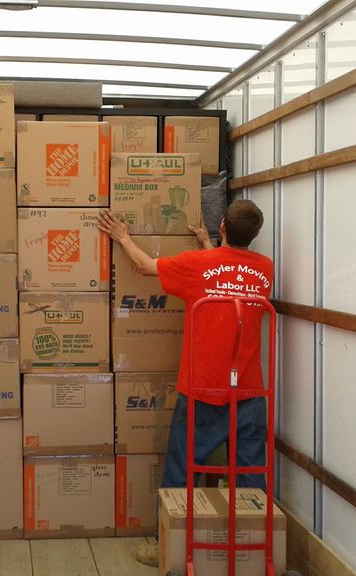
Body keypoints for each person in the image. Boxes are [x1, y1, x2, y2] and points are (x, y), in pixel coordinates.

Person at [97, 199, 274, 567]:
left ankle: (169, 547)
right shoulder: (265, 270)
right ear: (255, 236)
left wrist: (123, 236)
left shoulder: (198, 266)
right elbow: (231, 275)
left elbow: (146, 267)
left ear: (223, 225)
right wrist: (209, 243)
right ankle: (249, 553)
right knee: (251, 477)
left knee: (182, 470)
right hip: (251, 394)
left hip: (203, 392)